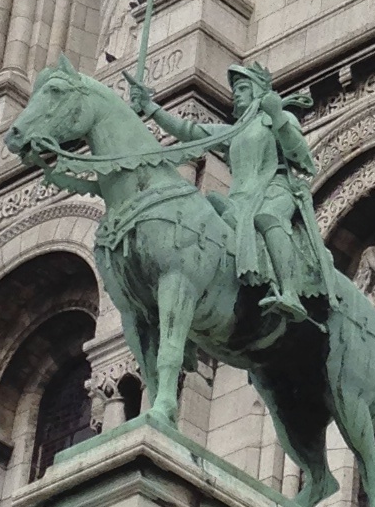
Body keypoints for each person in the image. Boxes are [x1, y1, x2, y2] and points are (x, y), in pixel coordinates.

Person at [133, 61, 333, 323]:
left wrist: (278, 118)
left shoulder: (277, 118)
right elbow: (188, 131)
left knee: (268, 217)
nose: (235, 94)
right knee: (206, 215)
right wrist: (150, 107)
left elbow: (302, 158)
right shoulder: (233, 132)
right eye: (235, 89)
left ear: (257, 90)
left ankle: (291, 293)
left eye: (241, 87)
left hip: (276, 189)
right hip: (240, 199)